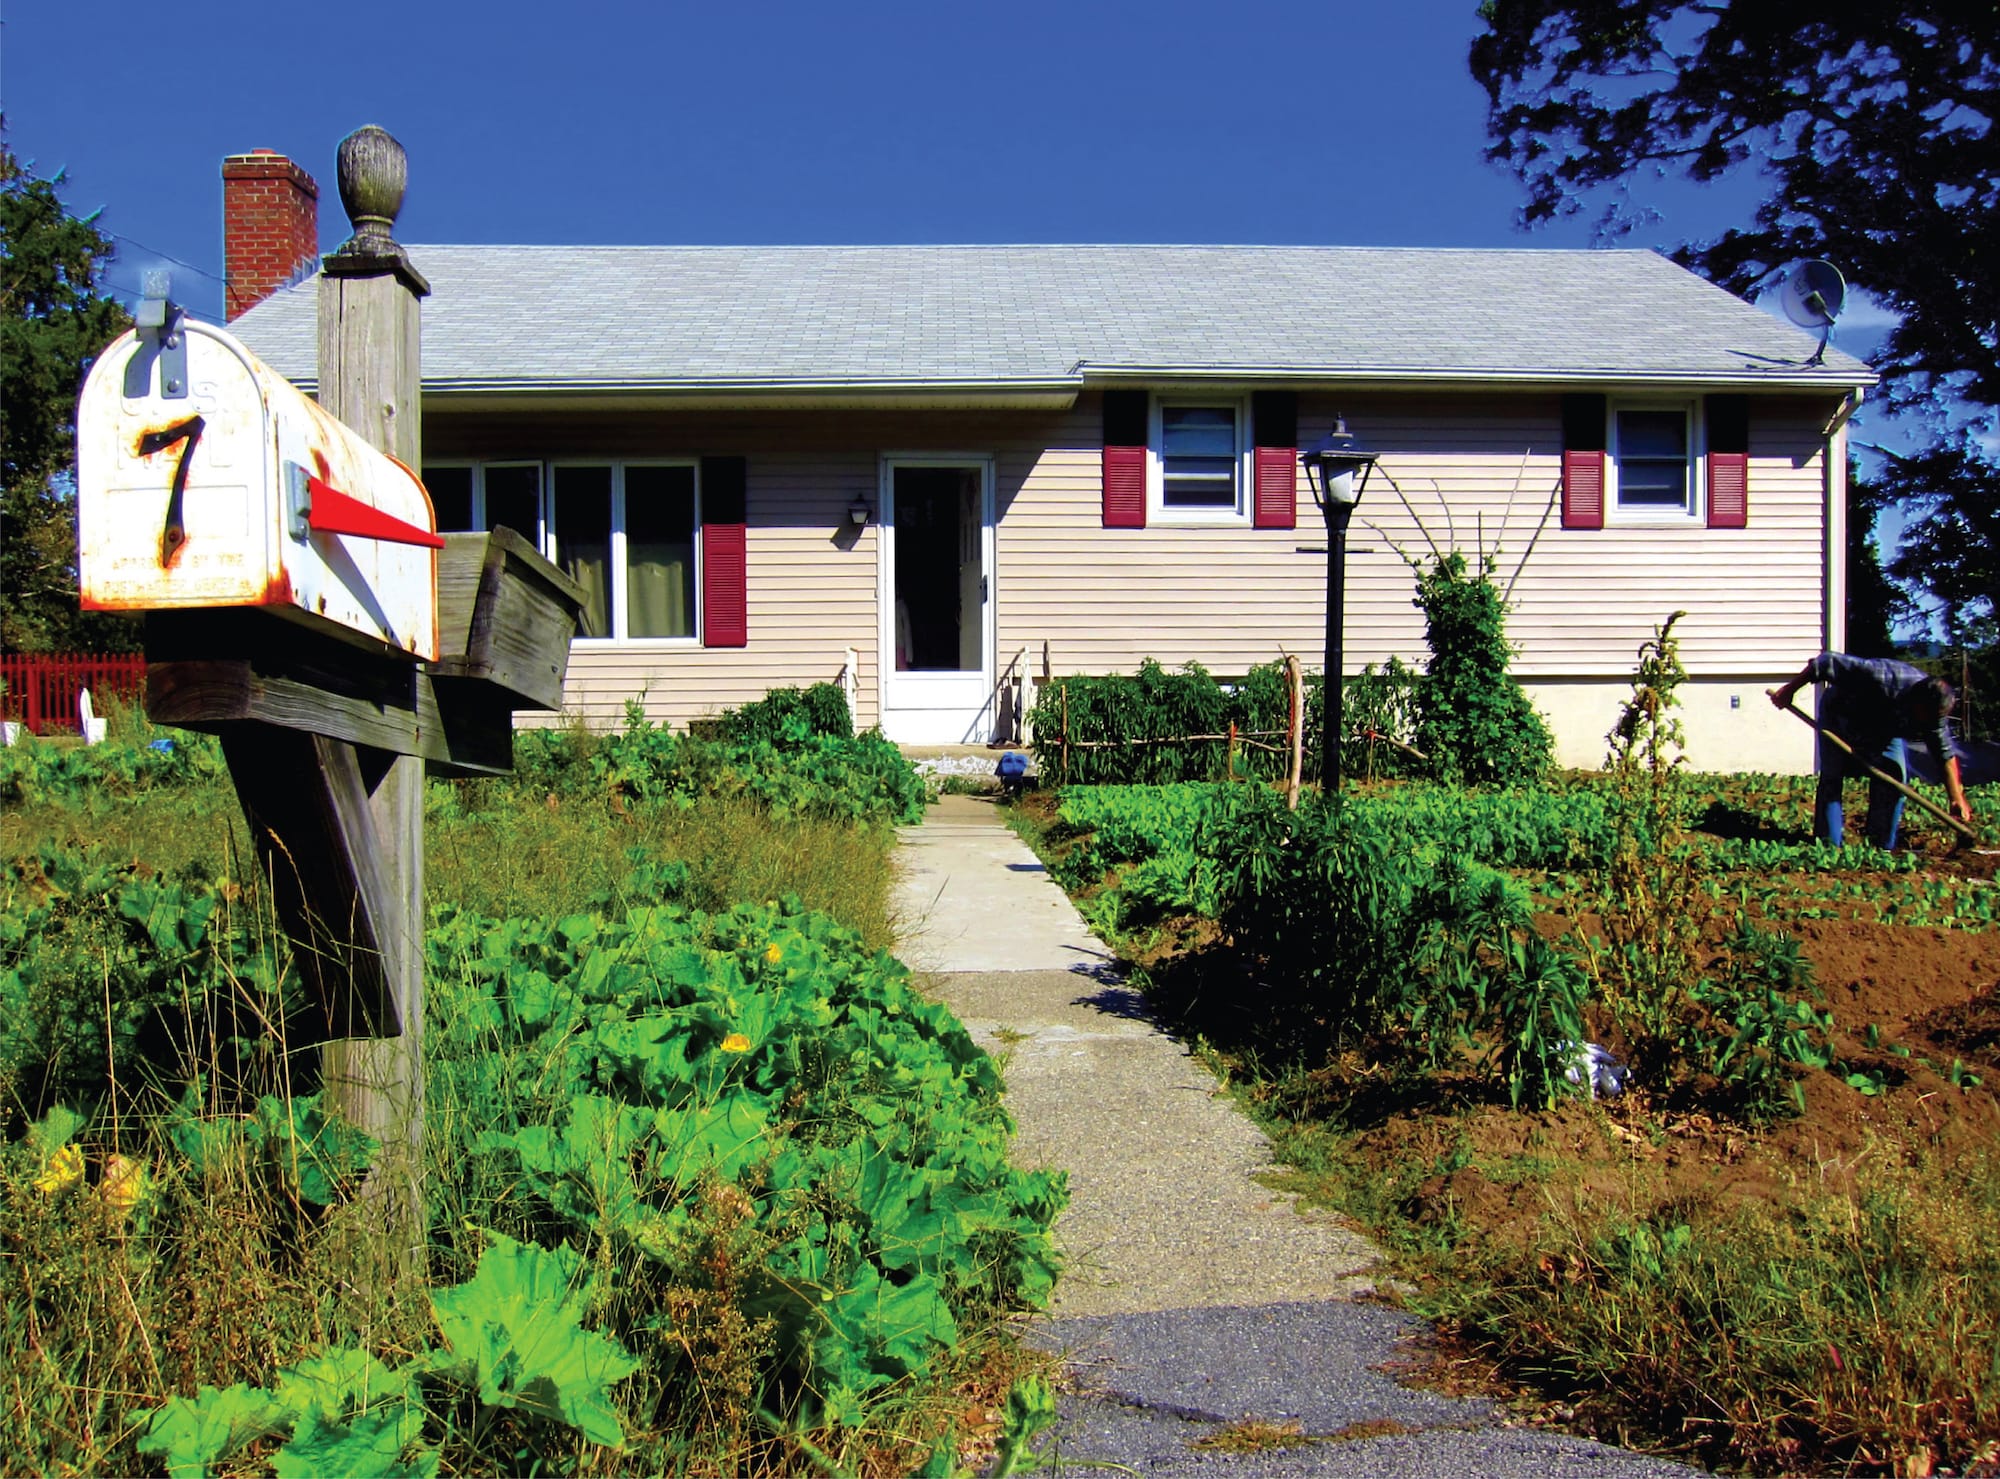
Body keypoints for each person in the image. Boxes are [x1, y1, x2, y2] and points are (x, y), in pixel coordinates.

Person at [1770, 652, 1973, 848]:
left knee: (1894, 777)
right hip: (1840, 716)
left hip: (1883, 729)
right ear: (1916, 701)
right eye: (1925, 716)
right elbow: (1824, 662)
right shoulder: (1881, 676)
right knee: (1833, 776)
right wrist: (1789, 691)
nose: (1928, 724)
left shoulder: (1934, 714)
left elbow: (1945, 754)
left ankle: (1880, 845)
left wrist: (1956, 798)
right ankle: (1828, 844)